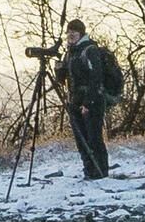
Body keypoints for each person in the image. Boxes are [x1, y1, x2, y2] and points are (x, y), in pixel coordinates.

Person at [50, 19, 125, 179]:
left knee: (93, 138)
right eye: (69, 32)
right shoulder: (70, 52)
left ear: (81, 33)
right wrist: (59, 69)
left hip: (92, 101)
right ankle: (89, 171)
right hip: (75, 101)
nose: (71, 35)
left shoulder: (90, 50)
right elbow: (62, 80)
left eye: (74, 32)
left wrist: (87, 103)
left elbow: (95, 78)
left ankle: (100, 172)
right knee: (81, 139)